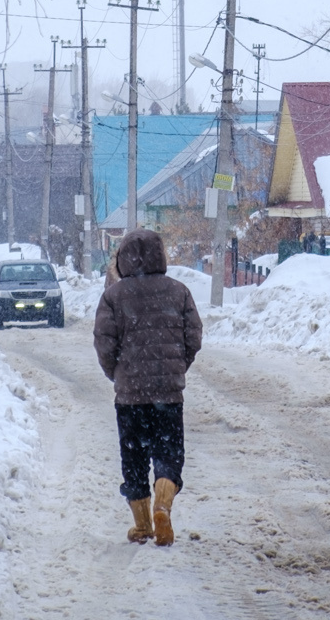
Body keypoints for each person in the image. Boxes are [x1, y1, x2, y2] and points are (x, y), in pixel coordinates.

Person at [93, 228, 202, 546]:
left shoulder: (113, 296)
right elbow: (193, 336)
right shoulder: (179, 291)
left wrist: (117, 373)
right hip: (168, 395)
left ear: (123, 260)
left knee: (134, 460)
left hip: (130, 398)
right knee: (169, 455)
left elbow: (104, 342)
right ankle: (163, 506)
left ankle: (142, 526)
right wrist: (178, 367)